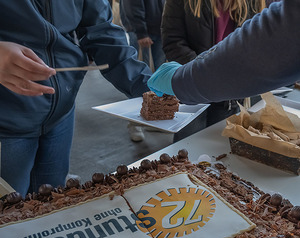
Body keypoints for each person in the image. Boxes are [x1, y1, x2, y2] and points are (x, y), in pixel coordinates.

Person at [0, 0, 152, 197]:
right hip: (6, 121)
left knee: (51, 203)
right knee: (9, 216)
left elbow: (101, 32)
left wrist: (148, 86)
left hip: (61, 114)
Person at [147, 1, 298, 108]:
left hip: (236, 96)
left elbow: (264, 48)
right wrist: (194, 77)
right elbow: (173, 39)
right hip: (198, 96)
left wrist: (188, 79)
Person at [161, 0, 269, 142]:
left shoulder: (253, 2)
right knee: (186, 148)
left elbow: (257, 43)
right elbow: (173, 40)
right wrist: (202, 73)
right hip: (192, 88)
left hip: (228, 94)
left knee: (219, 151)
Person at [120, 0, 167, 142]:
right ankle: (135, 123)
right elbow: (132, 5)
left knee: (158, 79)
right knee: (139, 78)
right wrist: (141, 32)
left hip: (160, 30)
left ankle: (153, 118)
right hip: (142, 31)